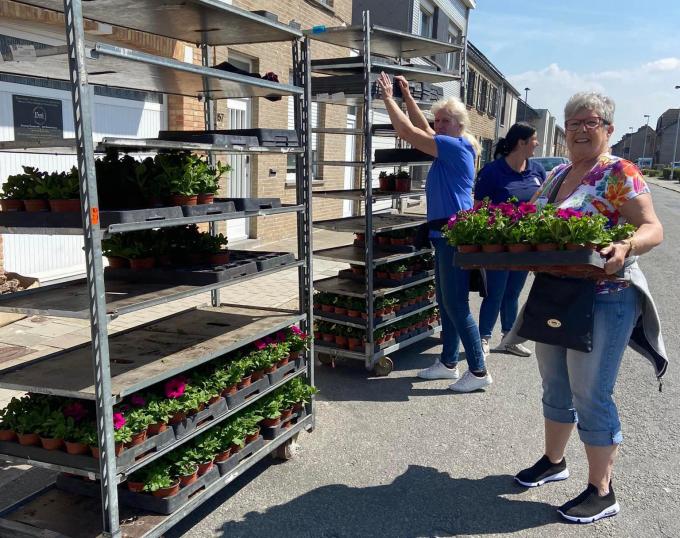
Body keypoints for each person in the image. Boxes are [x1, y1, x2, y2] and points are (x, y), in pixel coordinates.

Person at [505, 92, 667, 523]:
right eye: (572, 122)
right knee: (554, 382)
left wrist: (627, 243)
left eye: (590, 122)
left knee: (591, 392)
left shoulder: (619, 172)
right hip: (556, 292)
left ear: (608, 130)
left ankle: (602, 490)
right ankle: (554, 462)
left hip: (607, 295)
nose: (579, 129)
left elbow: (653, 227)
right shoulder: (558, 174)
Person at [376, 72, 490, 393]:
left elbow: (409, 132)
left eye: (443, 121)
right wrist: (408, 96)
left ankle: (479, 371)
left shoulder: (455, 147)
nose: (437, 125)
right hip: (444, 235)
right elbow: (423, 129)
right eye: (437, 120)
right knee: (445, 301)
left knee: (456, 305)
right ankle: (449, 363)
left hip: (454, 237)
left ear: (458, 124)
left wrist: (388, 97)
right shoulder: (452, 144)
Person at [474, 122, 546, 357]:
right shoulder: (492, 172)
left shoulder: (537, 171)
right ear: (521, 143)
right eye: (534, 139)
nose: (537, 143)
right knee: (495, 292)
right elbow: (478, 209)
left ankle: (509, 338)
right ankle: (483, 338)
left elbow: (543, 204)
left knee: (513, 292)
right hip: (498, 245)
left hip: (523, 245)